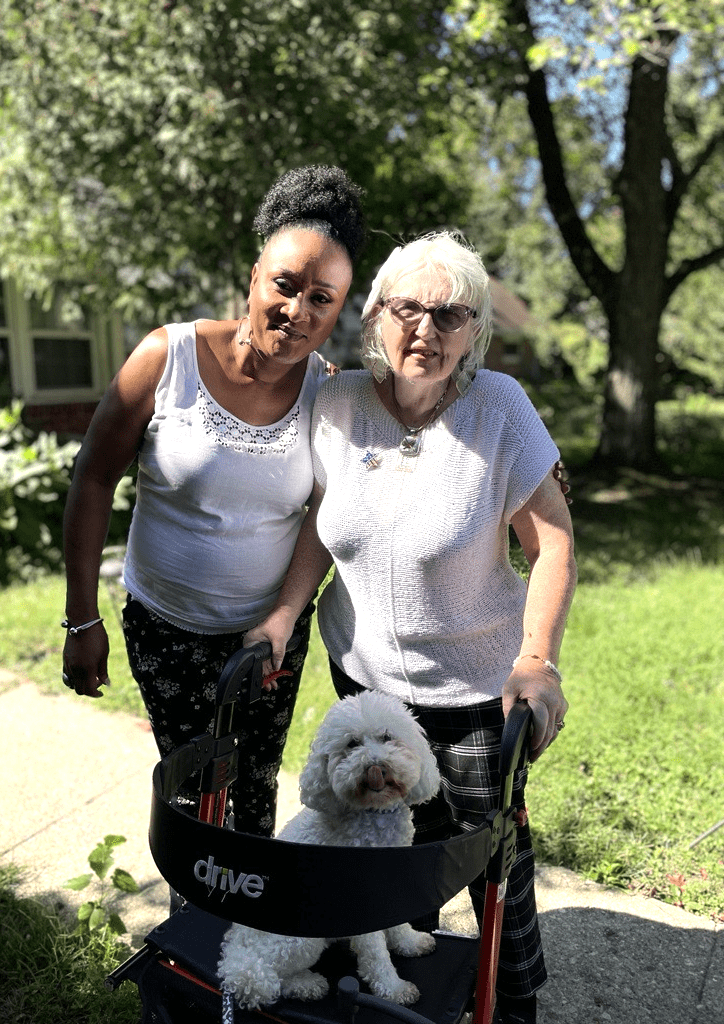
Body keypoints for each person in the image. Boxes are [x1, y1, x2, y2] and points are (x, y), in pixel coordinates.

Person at [246, 231, 577, 1023]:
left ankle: (512, 997)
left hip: (473, 692)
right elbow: (319, 522)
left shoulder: (499, 407)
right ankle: (405, 992)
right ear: (376, 316)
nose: (425, 328)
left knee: (487, 855)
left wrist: (538, 660)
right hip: (364, 686)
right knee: (382, 854)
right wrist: (286, 613)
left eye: (450, 314)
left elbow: (554, 539)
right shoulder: (338, 401)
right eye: (407, 308)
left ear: (474, 331)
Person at [61, 164, 365, 837]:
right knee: (190, 791)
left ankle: (251, 934)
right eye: (285, 286)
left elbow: (323, 512)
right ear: (254, 277)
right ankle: (191, 923)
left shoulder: (330, 392)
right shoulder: (162, 359)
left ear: (339, 308)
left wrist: (285, 617)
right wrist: (82, 621)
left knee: (255, 788)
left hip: (268, 639)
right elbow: (91, 479)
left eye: (323, 298)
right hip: (165, 628)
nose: (298, 311)